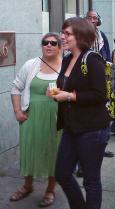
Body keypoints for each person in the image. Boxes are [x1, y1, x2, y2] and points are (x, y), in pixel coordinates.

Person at [50, 17, 110, 209]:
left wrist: (68, 96)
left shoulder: (93, 60)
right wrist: (57, 93)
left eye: (67, 33)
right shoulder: (67, 59)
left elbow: (101, 95)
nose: (62, 37)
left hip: (92, 129)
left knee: (91, 181)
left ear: (80, 35)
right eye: (63, 32)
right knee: (62, 173)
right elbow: (67, 87)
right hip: (72, 127)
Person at [10, 33, 62, 207]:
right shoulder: (31, 65)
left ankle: (50, 189)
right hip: (30, 116)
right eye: (45, 42)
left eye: (53, 43)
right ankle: (27, 185)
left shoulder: (65, 67)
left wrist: (57, 95)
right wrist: (17, 111)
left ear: (59, 47)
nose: (48, 45)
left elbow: (69, 92)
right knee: (30, 149)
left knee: (52, 151)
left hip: (55, 118)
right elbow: (16, 87)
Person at [86, 9, 114, 158]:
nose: (92, 20)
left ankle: (102, 147)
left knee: (105, 114)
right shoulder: (81, 34)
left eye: (94, 18)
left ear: (98, 21)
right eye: (89, 17)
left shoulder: (102, 36)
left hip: (102, 78)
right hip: (85, 79)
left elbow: (108, 55)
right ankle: (84, 158)